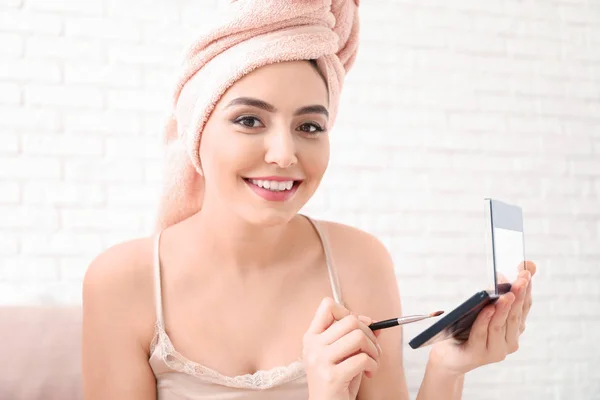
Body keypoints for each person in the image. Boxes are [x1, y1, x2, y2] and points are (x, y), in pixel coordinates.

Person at [81, 1, 536, 399]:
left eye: (310, 127)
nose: (284, 154)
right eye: (249, 120)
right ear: (197, 133)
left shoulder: (361, 262)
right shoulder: (123, 283)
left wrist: (448, 367)